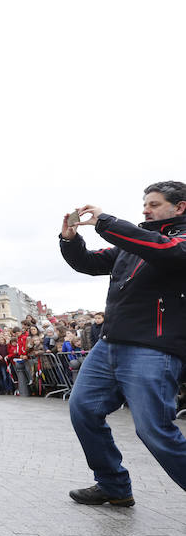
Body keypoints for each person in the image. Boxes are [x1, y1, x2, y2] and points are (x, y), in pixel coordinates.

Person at [60, 181, 186, 505]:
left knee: (153, 429)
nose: (146, 209)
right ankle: (113, 485)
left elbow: (164, 250)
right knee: (82, 409)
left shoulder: (178, 241)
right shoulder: (131, 244)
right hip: (109, 344)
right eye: (145, 203)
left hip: (153, 348)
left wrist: (106, 221)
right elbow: (88, 262)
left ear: (180, 207)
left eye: (154, 204)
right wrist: (70, 239)